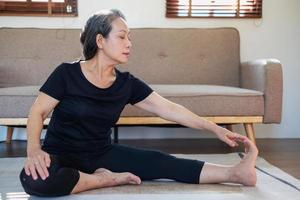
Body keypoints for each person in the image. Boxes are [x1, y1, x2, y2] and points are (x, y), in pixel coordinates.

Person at [19, 9, 258, 197]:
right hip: (60, 153)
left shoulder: (126, 84)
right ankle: (105, 179)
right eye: (122, 37)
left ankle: (235, 173)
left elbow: (169, 108)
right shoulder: (66, 73)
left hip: (101, 153)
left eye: (129, 37)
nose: (129, 43)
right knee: (35, 180)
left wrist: (214, 127)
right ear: (100, 41)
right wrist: (34, 150)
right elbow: (37, 112)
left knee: (160, 162)